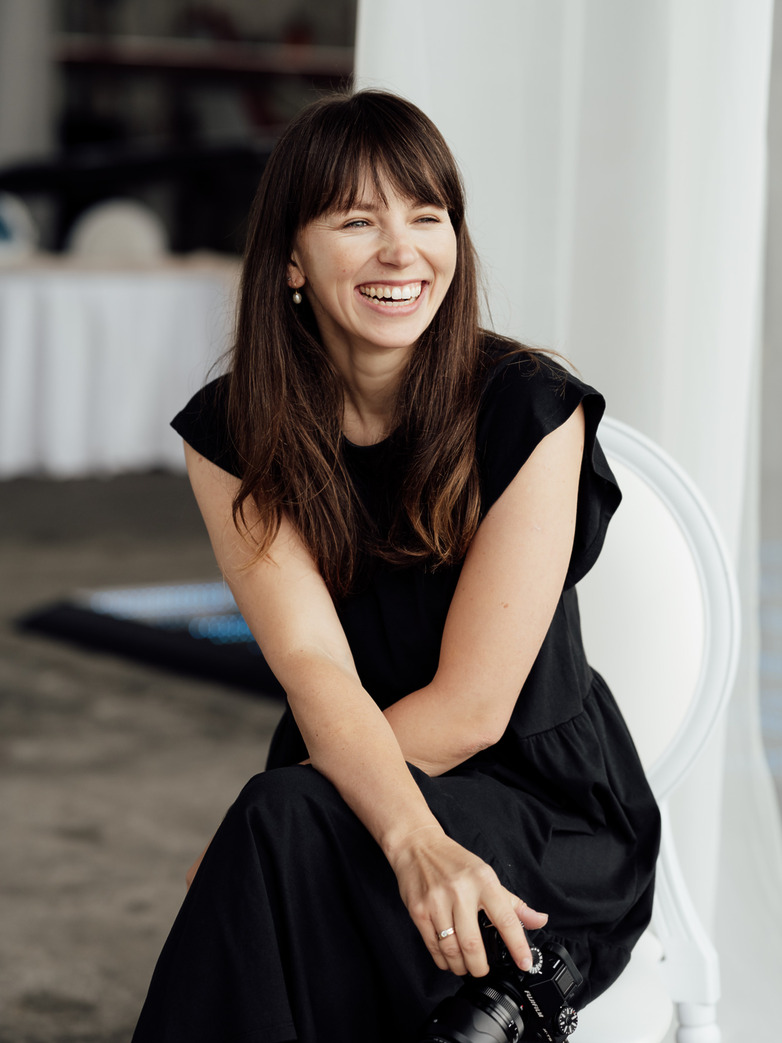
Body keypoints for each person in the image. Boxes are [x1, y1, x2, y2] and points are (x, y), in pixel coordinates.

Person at [131, 89, 660, 1043]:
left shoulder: (531, 411)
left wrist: (397, 831)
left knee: (281, 830)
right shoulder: (232, 432)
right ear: (290, 259)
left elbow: (472, 708)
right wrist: (405, 833)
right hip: (346, 775)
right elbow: (313, 666)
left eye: (428, 215)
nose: (401, 250)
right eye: (356, 220)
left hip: (546, 808)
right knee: (288, 832)